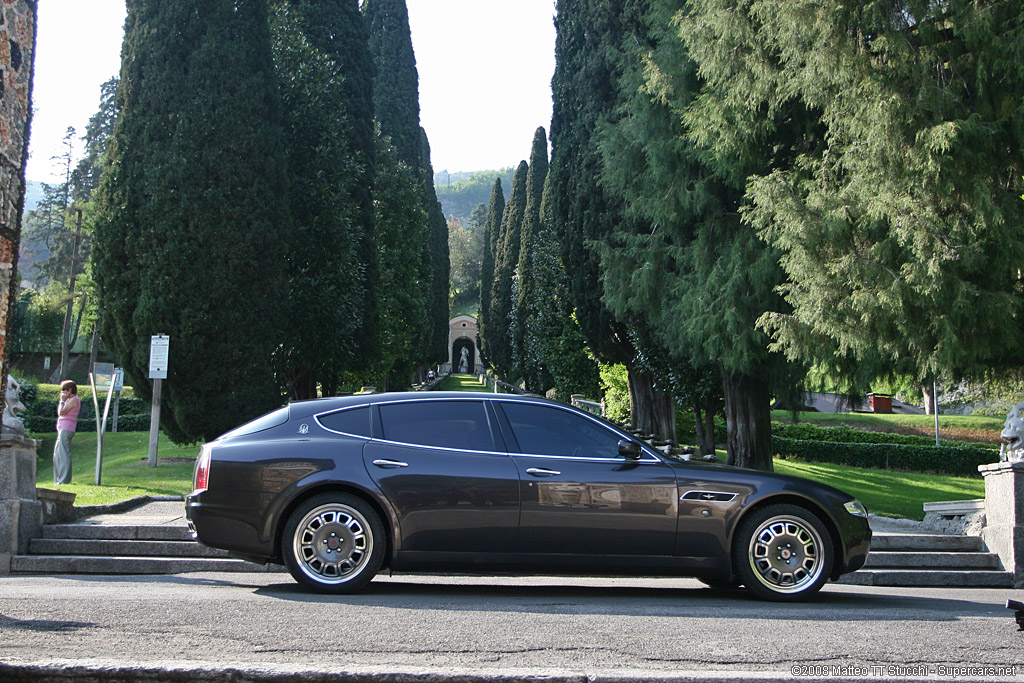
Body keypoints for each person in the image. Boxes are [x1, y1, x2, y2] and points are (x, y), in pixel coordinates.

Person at [53, 380, 81, 485]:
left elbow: (61, 412)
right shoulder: (68, 400)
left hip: (67, 429)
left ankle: (64, 479)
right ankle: (58, 478)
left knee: (64, 453)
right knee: (57, 454)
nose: (62, 392)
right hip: (62, 428)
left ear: (69, 390)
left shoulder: (74, 400)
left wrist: (61, 401)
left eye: (64, 389)